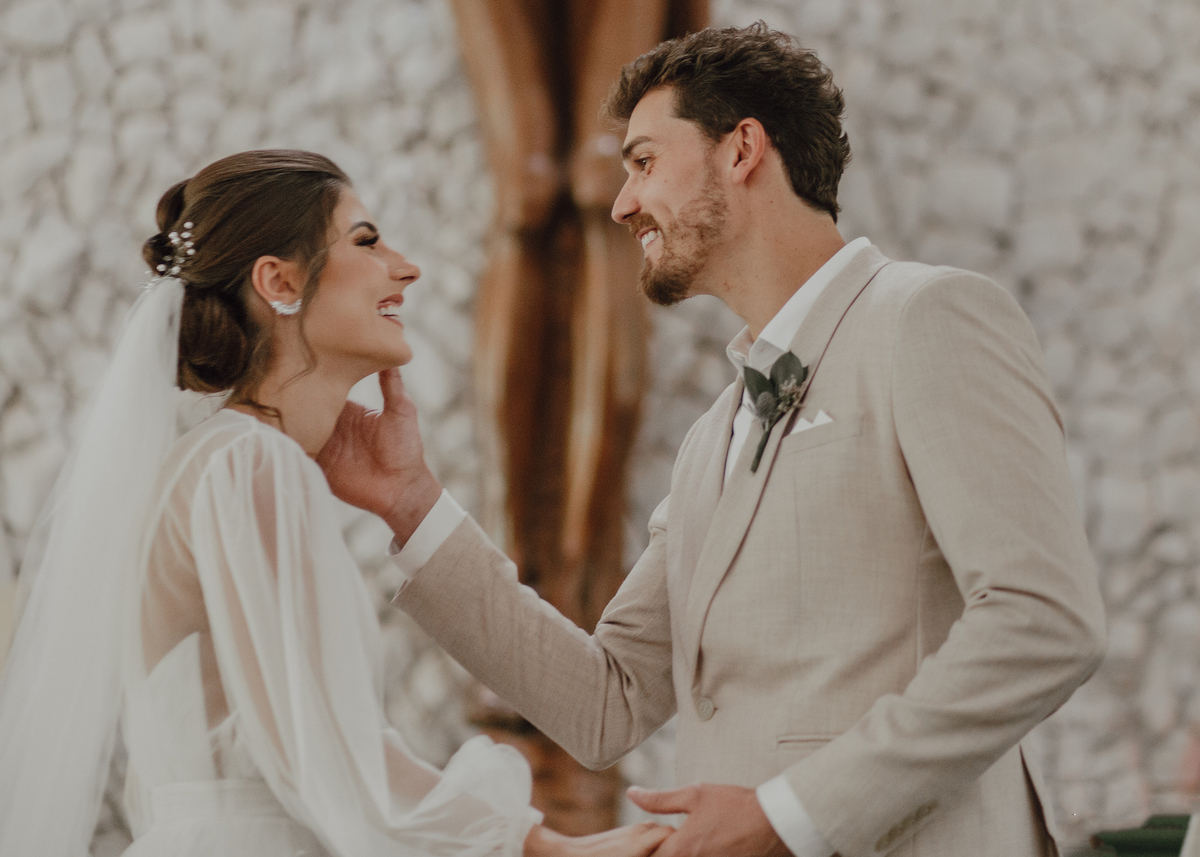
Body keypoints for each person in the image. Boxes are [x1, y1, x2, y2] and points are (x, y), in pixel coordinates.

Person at [319, 24, 1109, 857]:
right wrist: (412, 505)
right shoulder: (712, 437)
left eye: (644, 162)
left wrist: (791, 815)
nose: (622, 203)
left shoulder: (928, 317)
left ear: (742, 150)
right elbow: (608, 700)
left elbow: (1042, 618)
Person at [0, 150, 672, 857]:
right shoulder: (246, 463)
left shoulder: (222, 459)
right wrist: (552, 849)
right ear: (279, 281)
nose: (405, 268)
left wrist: (407, 494)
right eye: (366, 240)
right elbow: (320, 747)